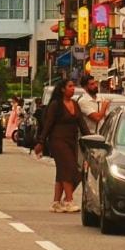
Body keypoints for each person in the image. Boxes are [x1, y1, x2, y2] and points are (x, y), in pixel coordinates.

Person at [35, 81, 82, 212]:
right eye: (70, 86)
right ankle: (69, 200)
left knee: (62, 171)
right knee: (69, 169)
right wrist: (41, 142)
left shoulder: (75, 104)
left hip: (71, 141)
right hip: (57, 141)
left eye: (74, 86)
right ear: (62, 89)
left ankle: (56, 202)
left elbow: (81, 123)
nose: (73, 89)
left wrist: (90, 139)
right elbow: (48, 124)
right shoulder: (56, 105)